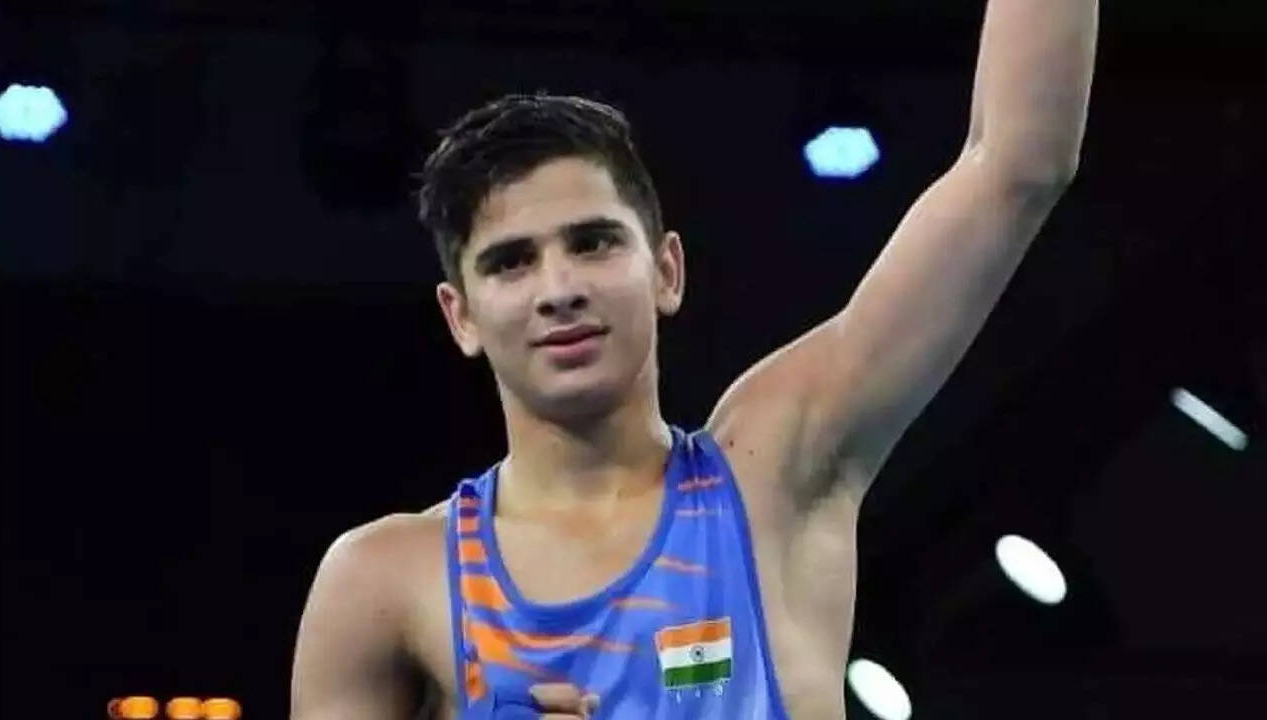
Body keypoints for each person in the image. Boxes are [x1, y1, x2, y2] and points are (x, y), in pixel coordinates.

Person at [290, 2, 1097, 717]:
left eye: (593, 242)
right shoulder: (385, 583)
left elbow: (1017, 166)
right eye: (511, 262)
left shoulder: (775, 469)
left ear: (666, 271)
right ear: (460, 315)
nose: (559, 289)